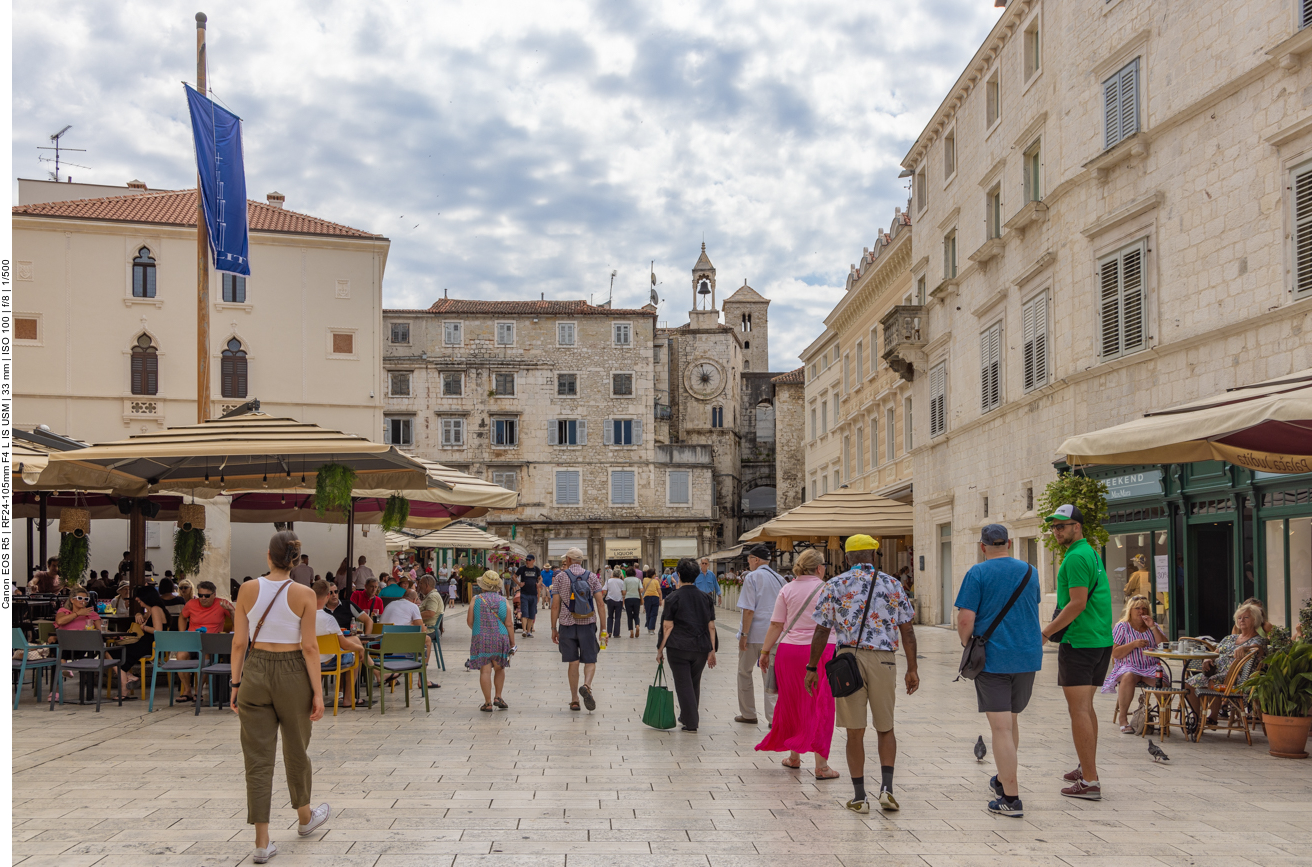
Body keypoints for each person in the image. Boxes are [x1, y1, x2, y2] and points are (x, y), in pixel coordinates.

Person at [229, 531, 330, 864]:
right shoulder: (304, 594)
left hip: (255, 670)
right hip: (292, 672)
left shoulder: (246, 589)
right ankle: (304, 817)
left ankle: (261, 842)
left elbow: (239, 643)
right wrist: (318, 691)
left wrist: (235, 682)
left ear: (268, 556)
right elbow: (311, 647)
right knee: (296, 747)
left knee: (257, 760)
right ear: (297, 560)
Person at [805, 535, 917, 814]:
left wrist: (811, 667)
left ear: (846, 559)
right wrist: (912, 668)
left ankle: (859, 797)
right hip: (884, 660)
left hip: (847, 661)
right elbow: (908, 630)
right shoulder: (893, 584)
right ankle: (887, 790)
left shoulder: (835, 584)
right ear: (874, 557)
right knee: (885, 726)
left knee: (855, 731)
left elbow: (821, 630)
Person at [954, 525, 1043, 818]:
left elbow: (966, 619)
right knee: (1011, 722)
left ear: (983, 547)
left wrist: (967, 645)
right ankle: (1003, 779)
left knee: (1001, 728)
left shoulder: (977, 574)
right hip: (1027, 656)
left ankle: (1011, 798)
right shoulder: (1030, 571)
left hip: (994, 658)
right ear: (1010, 543)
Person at [1040, 504, 1114, 801]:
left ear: (1077, 527)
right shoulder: (1091, 553)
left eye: (1062, 525)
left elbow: (1077, 603)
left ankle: (1091, 781)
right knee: (1087, 707)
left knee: (1079, 710)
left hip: (1081, 641)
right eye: (1054, 526)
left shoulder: (1075, 558)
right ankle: (1087, 767)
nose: (1057, 530)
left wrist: (1045, 632)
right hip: (1099, 640)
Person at [755, 548, 838, 779]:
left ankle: (794, 757)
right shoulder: (827, 589)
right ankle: (821, 766)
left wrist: (764, 652)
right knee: (821, 704)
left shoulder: (787, 589)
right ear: (820, 568)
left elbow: (776, 625)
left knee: (791, 702)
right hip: (822, 652)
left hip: (789, 652)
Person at [656, 558, 718, 732]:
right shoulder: (706, 598)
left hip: (678, 647)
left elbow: (667, 626)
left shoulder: (673, 598)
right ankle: (686, 715)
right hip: (700, 646)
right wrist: (712, 650)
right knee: (693, 682)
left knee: (683, 684)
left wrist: (660, 650)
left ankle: (691, 721)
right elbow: (711, 626)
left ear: (679, 574)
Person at [1184, 602, 1267, 730]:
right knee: (1188, 684)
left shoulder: (1258, 640)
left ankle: (1213, 717)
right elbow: (1214, 653)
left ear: (1255, 620)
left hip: (1237, 679)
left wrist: (1246, 647)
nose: (1242, 620)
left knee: (1213, 682)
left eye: (1246, 617)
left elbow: (1259, 649)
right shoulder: (1230, 638)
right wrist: (1207, 659)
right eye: (1239, 618)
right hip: (1217, 673)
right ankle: (1197, 718)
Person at [735, 544, 788, 725]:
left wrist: (744, 635)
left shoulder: (752, 577)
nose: (748, 563)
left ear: (756, 559)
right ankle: (774, 718)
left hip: (754, 635)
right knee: (771, 676)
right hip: (774, 635)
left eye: (749, 559)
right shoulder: (781, 579)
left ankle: (748, 713)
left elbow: (748, 610)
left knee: (744, 672)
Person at [549, 547, 605, 712]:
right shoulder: (592, 577)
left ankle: (574, 700)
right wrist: (604, 628)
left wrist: (553, 628)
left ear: (567, 560)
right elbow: (600, 604)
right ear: (581, 560)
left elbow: (555, 606)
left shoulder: (560, 577)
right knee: (590, 659)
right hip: (587, 624)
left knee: (573, 662)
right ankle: (586, 686)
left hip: (567, 625)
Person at [1102, 595, 1167, 733]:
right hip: (1128, 665)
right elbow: (1115, 653)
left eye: (1144, 608)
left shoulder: (1152, 626)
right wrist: (1133, 644)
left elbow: (1164, 646)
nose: (1141, 611)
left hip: (1150, 666)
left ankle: (1164, 719)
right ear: (1130, 610)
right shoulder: (1122, 626)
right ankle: (1123, 718)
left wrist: (1153, 627)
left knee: (1162, 681)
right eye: (1137, 608)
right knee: (1128, 676)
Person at [467, 570, 514, 711]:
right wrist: (512, 643)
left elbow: (470, 621)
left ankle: (487, 703)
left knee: (485, 671)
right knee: (499, 669)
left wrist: (480, 629)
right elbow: (509, 624)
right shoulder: (503, 601)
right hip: (500, 637)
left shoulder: (476, 599)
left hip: (481, 638)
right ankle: (498, 697)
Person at [313, 579, 364, 707]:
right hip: (329, 660)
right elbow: (345, 645)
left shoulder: (305, 616)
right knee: (354, 655)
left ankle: (315, 697)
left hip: (311, 660)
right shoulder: (329, 619)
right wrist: (360, 648)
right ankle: (348, 698)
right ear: (327, 595)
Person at [178, 580, 231, 702]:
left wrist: (232, 631)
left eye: (206, 596)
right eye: (200, 595)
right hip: (193, 640)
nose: (203, 598)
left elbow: (236, 617)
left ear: (214, 594)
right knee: (181, 655)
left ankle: (199, 690)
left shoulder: (222, 604)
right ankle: (187, 690)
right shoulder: (191, 604)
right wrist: (182, 633)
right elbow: (182, 616)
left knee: (206, 657)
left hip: (211, 643)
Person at [119, 586, 168, 697]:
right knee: (113, 653)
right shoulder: (152, 610)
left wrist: (143, 628)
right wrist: (138, 614)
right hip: (146, 642)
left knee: (115, 653)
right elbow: (145, 618)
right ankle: (128, 678)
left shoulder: (155, 609)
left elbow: (157, 630)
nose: (137, 599)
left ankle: (124, 688)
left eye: (139, 597)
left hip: (150, 644)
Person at [517, 555, 542, 638]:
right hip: (524, 594)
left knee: (532, 613)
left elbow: (540, 578)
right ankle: (524, 631)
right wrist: (519, 583)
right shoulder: (522, 568)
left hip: (533, 594)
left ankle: (528, 631)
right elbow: (514, 576)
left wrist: (539, 583)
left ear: (533, 560)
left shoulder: (536, 569)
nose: (527, 561)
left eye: (529, 560)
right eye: (527, 560)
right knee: (524, 612)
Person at [604, 568, 626, 640]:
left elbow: (604, 591)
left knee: (610, 616)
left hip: (610, 600)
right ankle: (616, 633)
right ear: (619, 575)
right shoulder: (622, 582)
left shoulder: (608, 581)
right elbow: (623, 592)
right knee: (617, 617)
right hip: (619, 600)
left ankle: (609, 631)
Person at [641, 569, 663, 635]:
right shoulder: (656, 581)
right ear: (653, 574)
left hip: (647, 597)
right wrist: (660, 600)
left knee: (648, 613)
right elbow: (659, 591)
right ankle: (651, 629)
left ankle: (648, 626)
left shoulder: (644, 580)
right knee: (654, 613)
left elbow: (643, 588)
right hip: (655, 597)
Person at [623, 568, 643, 639]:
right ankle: (637, 625)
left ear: (627, 574)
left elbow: (624, 592)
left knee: (629, 616)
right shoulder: (638, 580)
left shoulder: (625, 580)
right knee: (636, 614)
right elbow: (641, 590)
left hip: (628, 599)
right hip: (636, 598)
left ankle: (631, 631)